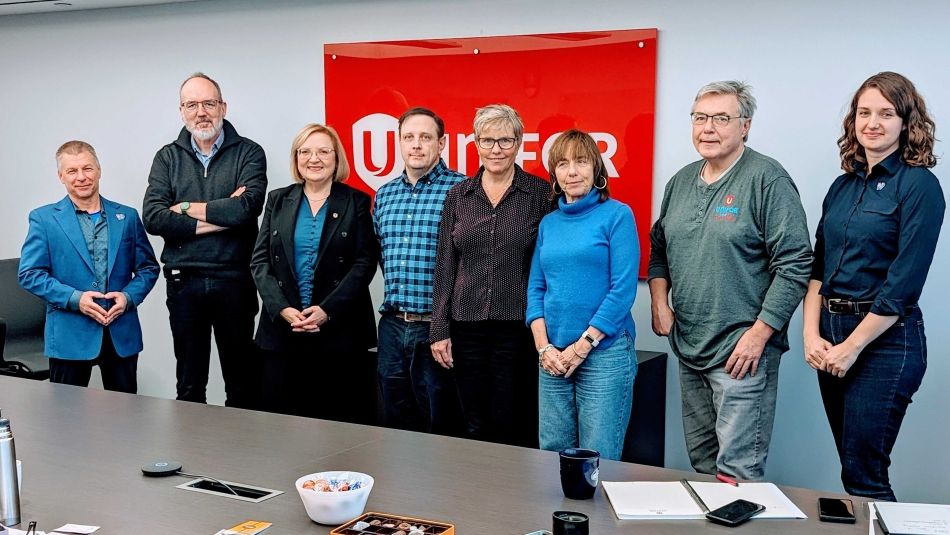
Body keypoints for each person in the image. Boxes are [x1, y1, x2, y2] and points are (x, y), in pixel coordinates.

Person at [648, 81, 812, 480]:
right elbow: (659, 251)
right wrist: (658, 303)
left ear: (745, 125)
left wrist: (759, 335)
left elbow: (796, 263)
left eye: (722, 118)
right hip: (690, 348)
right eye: (700, 117)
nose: (708, 128)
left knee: (737, 472)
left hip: (742, 354)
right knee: (703, 467)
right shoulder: (681, 182)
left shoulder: (767, 179)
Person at [803, 72, 945, 501]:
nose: (873, 123)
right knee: (852, 469)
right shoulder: (842, 187)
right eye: (865, 112)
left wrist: (853, 347)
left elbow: (904, 284)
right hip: (830, 334)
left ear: (907, 122)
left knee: (865, 475)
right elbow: (819, 268)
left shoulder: (919, 186)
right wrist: (811, 334)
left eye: (887, 113)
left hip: (885, 342)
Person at [142, 73, 267, 408]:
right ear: (182, 111)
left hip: (235, 280)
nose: (202, 112)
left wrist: (183, 209)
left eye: (209, 103)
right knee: (190, 387)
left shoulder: (249, 153)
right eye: (192, 104)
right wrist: (221, 217)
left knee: (242, 385)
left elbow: (246, 209)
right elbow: (153, 217)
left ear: (223, 107)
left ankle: (241, 458)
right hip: (184, 283)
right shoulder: (167, 158)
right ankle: (192, 456)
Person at [430, 104, 550, 447]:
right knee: (472, 422)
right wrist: (439, 329)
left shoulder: (540, 195)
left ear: (519, 143)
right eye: (487, 141)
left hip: (519, 328)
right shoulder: (458, 196)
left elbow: (548, 266)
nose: (496, 149)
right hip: (466, 328)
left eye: (505, 140)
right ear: (475, 143)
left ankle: (512, 497)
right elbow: (445, 265)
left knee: (514, 420)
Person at [250, 123, 378, 423]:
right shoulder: (277, 199)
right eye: (305, 151)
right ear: (296, 159)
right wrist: (281, 308)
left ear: (337, 159)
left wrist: (327, 310)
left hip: (339, 334)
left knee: (338, 424)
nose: (314, 158)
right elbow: (260, 262)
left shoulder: (356, 201)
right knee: (282, 424)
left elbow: (364, 263)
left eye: (323, 151)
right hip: (284, 332)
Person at [526, 130, 639, 460]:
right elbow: (536, 288)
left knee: (597, 458)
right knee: (551, 456)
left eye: (581, 162)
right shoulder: (549, 223)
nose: (572, 171)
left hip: (604, 353)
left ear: (596, 169)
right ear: (555, 175)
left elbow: (622, 290)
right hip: (553, 356)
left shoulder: (617, 215)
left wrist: (584, 344)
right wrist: (543, 346)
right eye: (563, 164)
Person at [19, 141, 159, 393]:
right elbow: (30, 274)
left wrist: (128, 297)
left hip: (121, 334)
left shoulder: (126, 217)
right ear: (61, 176)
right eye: (72, 171)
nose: (81, 177)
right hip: (69, 336)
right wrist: (75, 299)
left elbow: (149, 268)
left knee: (126, 419)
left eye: (87, 168)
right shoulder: (43, 219)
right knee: (66, 421)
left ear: (99, 170)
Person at [374, 107, 465, 434]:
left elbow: (469, 265)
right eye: (408, 137)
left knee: (440, 425)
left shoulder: (462, 190)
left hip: (438, 330)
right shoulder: (384, 195)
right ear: (398, 143)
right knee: (393, 424)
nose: (416, 145)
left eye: (425, 137)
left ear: (441, 144)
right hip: (393, 327)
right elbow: (382, 257)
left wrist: (448, 327)